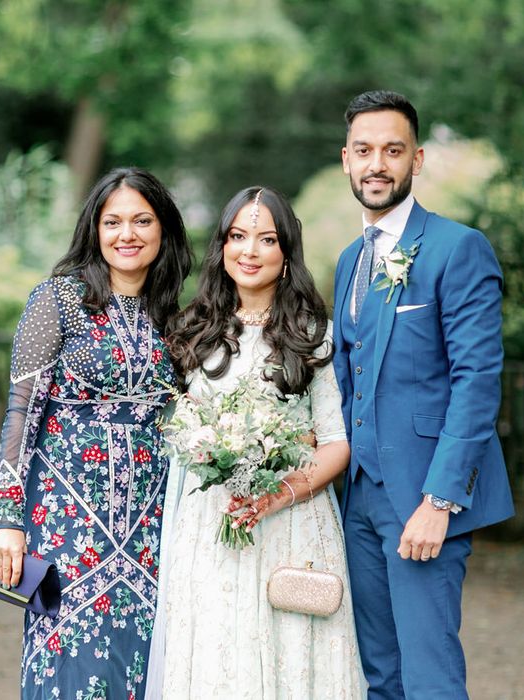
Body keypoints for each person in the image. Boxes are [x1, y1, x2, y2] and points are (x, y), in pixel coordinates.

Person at [333, 89, 515, 699]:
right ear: (346, 160)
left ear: (417, 159)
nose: (376, 164)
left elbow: (477, 382)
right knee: (379, 677)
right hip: (359, 501)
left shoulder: (457, 249)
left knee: (430, 678)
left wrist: (439, 502)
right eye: (364, 150)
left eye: (392, 150)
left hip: (422, 501)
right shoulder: (347, 262)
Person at [0, 166, 192, 700]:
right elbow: (20, 412)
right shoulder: (57, 301)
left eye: (142, 221)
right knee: (67, 667)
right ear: (94, 230)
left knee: (140, 668)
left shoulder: (174, 316)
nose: (127, 234)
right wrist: (8, 519)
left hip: (150, 527)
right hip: (65, 523)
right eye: (113, 221)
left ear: (163, 230)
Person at [155, 186, 365, 699]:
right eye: (238, 236)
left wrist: (276, 495)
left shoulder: (314, 336)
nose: (249, 251)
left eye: (266, 240)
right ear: (222, 247)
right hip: (210, 524)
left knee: (289, 659)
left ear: (287, 255)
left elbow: (336, 443)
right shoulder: (191, 332)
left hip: (291, 523)